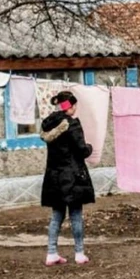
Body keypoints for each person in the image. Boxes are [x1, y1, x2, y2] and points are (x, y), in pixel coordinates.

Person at [40, 90, 95, 265]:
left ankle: (51, 253)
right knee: (76, 214)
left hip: (54, 176)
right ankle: (79, 253)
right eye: (74, 105)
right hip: (72, 176)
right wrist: (90, 147)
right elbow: (82, 150)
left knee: (57, 215)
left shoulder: (48, 124)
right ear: (69, 106)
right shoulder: (72, 124)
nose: (76, 109)